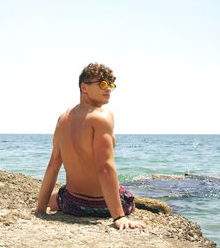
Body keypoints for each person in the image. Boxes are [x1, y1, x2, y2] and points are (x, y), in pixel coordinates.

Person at [35, 63, 145, 230]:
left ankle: (48, 203)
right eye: (102, 84)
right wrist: (119, 216)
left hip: (71, 203)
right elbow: (105, 168)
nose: (108, 89)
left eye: (111, 84)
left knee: (58, 194)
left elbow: (53, 165)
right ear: (84, 87)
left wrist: (41, 209)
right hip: (102, 206)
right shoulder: (101, 116)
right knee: (129, 198)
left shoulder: (62, 118)